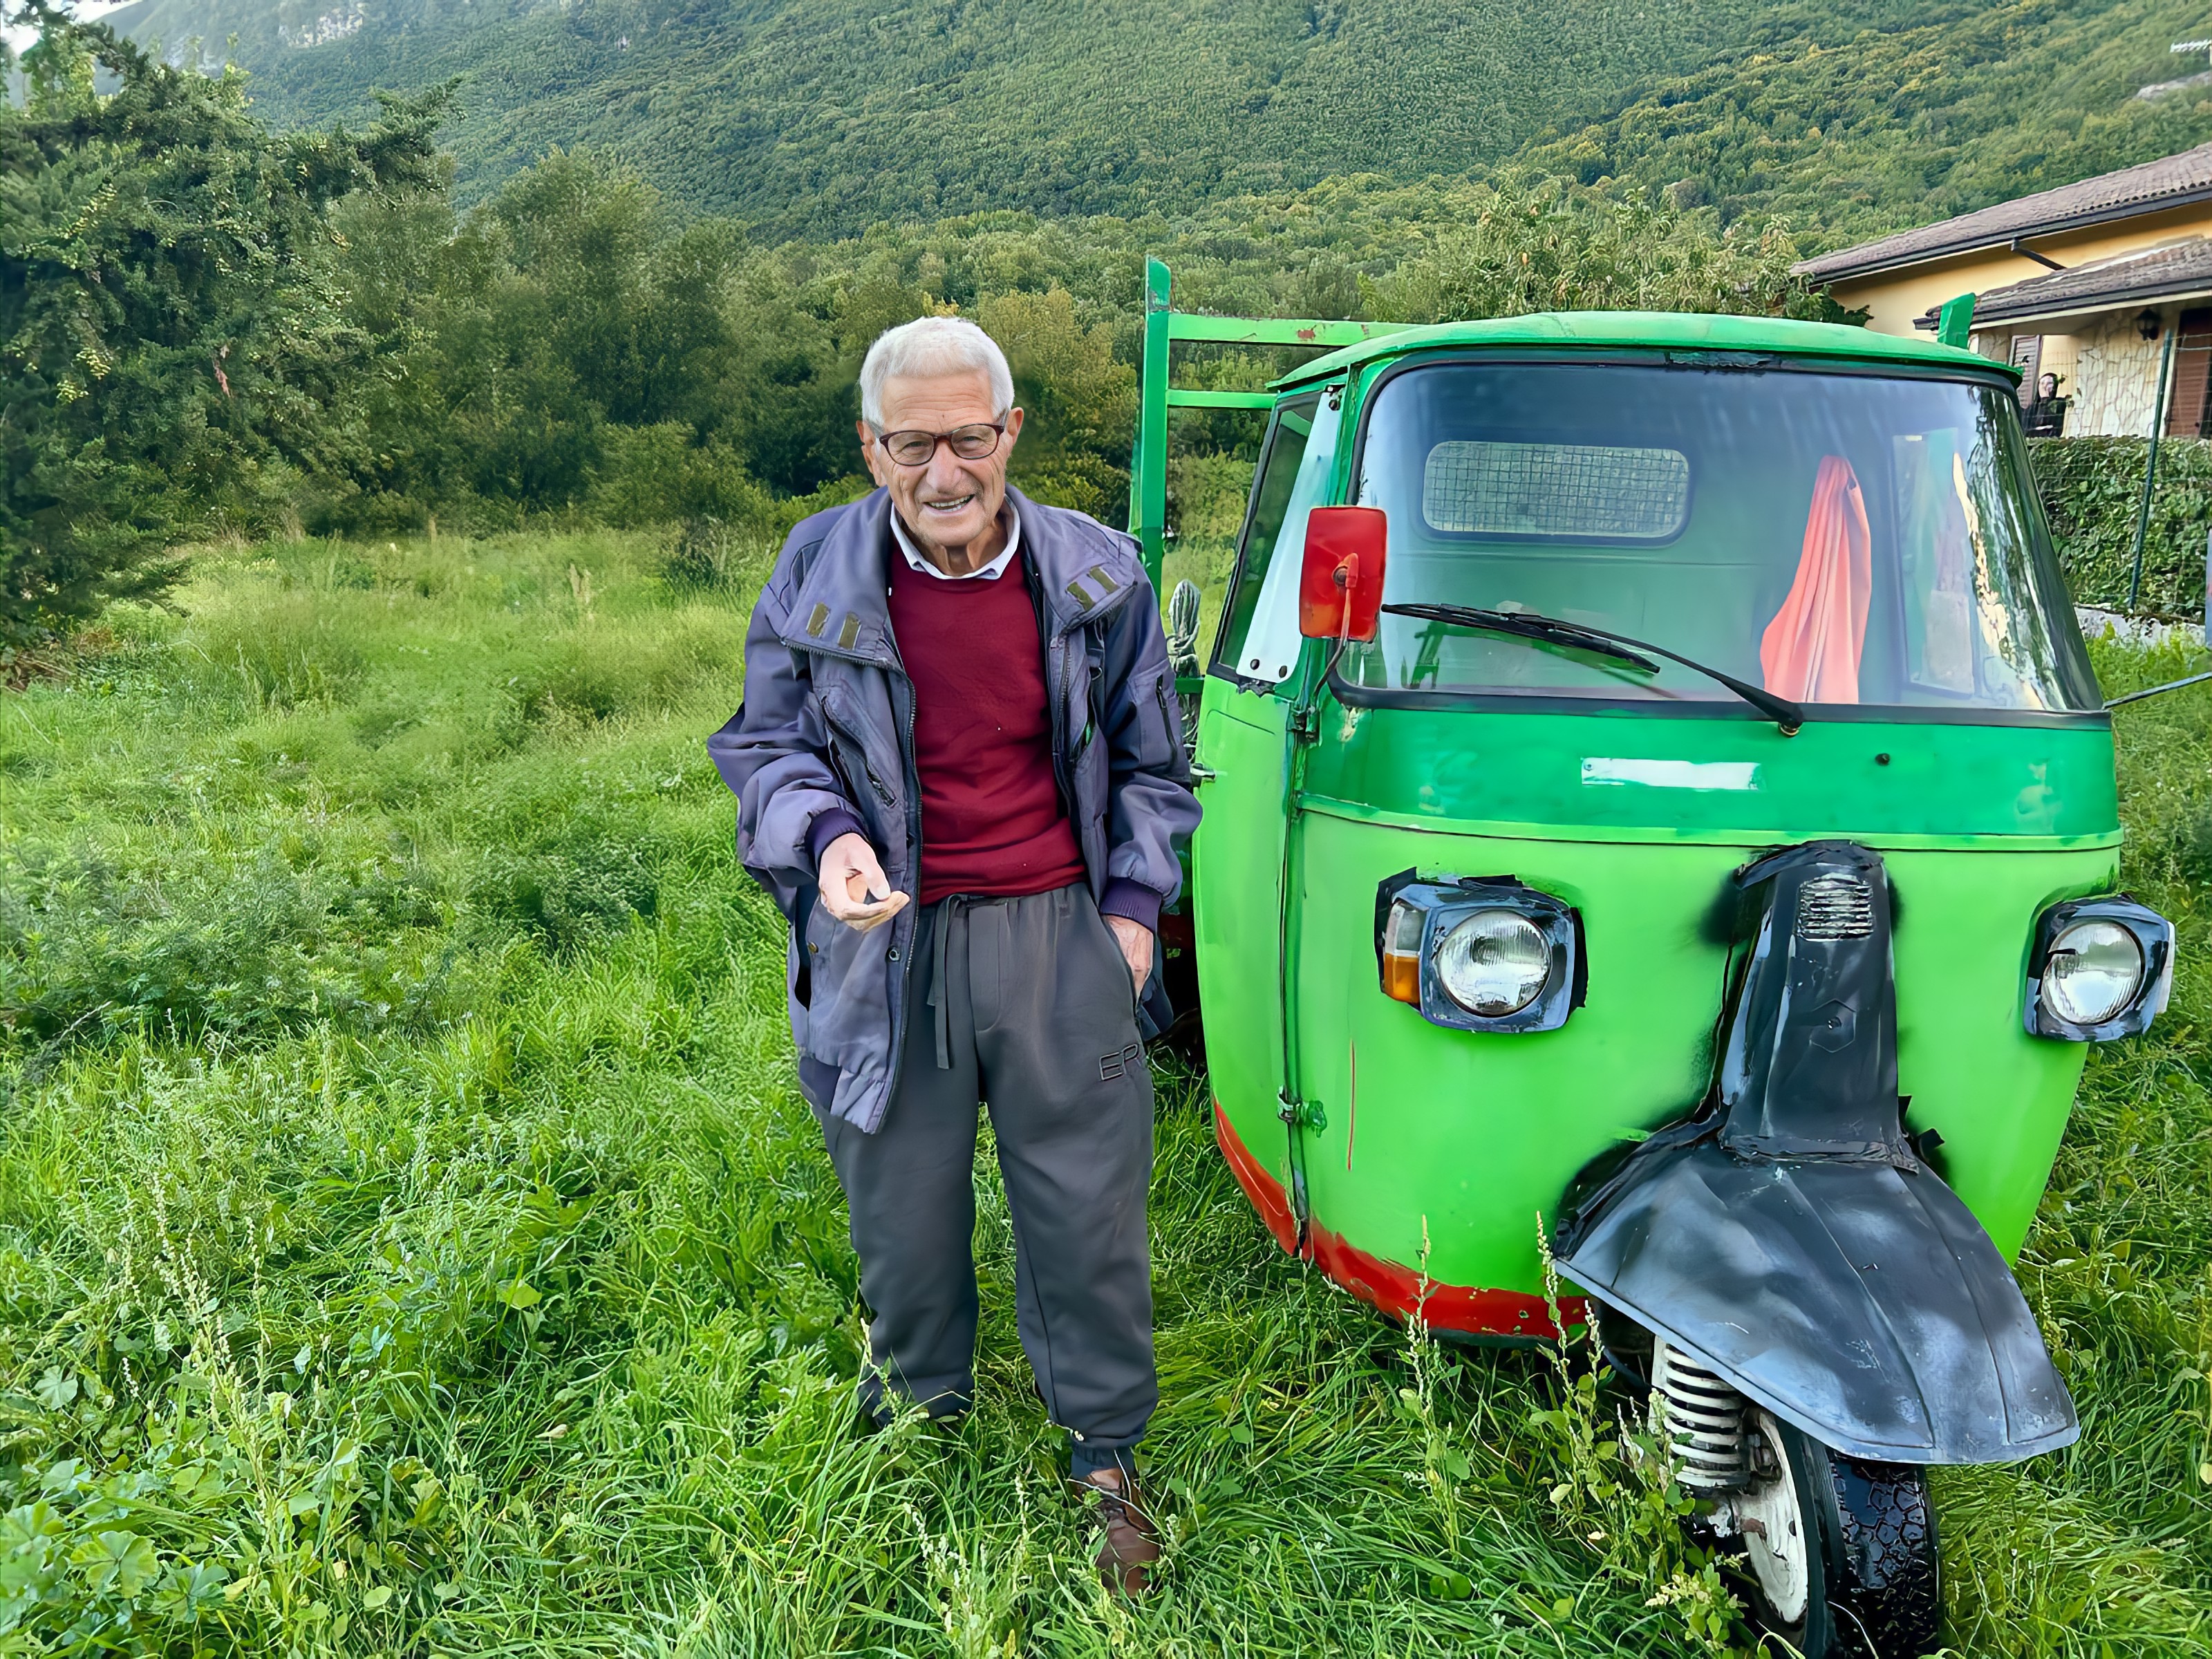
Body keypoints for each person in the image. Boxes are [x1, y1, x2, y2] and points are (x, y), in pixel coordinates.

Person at [707, 315, 1199, 1595]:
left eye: (968, 438)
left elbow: (1156, 766)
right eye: (911, 444)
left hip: (1057, 936)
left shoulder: (1098, 574)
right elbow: (766, 746)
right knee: (902, 1205)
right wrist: (827, 841)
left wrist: (1131, 912)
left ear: (1010, 433)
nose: (944, 472)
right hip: (889, 939)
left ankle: (1105, 1454)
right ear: (871, 448)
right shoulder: (816, 569)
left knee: (1087, 1214)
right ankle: (921, 1421)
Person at [2024, 371, 2069, 437]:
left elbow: (2045, 422)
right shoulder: (2032, 408)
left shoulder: (2059, 404)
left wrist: (2045, 399)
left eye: (2049, 383)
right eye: (2042, 383)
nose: (2044, 386)